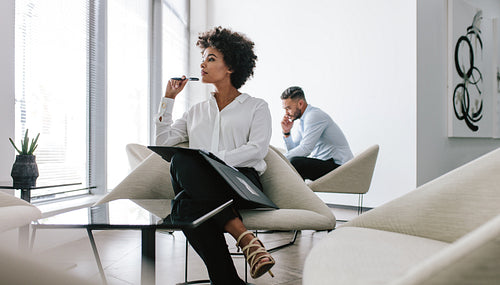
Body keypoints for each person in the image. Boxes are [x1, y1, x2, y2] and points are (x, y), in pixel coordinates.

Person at [155, 26, 275, 284]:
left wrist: (211, 162)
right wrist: (169, 99)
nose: (203, 64)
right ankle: (243, 241)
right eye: (203, 59)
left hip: (242, 183)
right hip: (206, 187)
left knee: (182, 204)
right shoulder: (195, 111)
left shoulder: (256, 106)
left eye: (211, 59)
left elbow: (257, 149)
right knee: (180, 162)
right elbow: (163, 141)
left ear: (230, 67)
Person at [280, 86, 353, 181]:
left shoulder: (314, 116)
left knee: (295, 163)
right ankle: (293, 195)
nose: (286, 113)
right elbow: (294, 151)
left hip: (340, 167)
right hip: (326, 163)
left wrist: (280, 159)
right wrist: (287, 133)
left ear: (300, 104)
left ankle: (296, 195)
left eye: (288, 108)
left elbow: (305, 149)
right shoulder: (303, 120)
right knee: (293, 162)